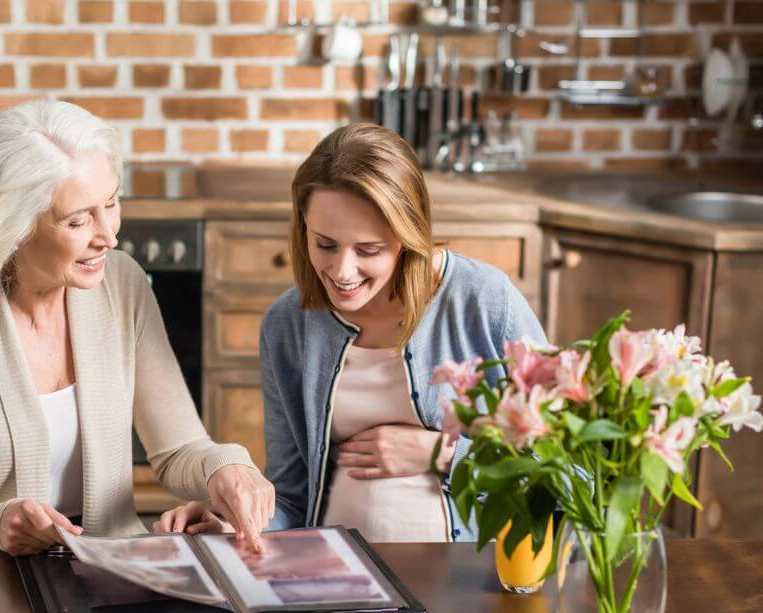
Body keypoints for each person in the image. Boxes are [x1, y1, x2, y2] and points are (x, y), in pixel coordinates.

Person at [0, 100, 275, 555]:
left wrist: (228, 468)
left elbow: (179, 449)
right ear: (13, 226)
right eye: (78, 220)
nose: (109, 235)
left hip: (119, 573)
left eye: (112, 202)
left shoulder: (122, 284)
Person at [156, 123, 546, 543]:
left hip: (461, 582)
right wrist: (231, 527)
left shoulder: (483, 301)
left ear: (407, 237)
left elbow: (565, 470)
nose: (342, 272)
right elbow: (291, 499)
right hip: (328, 578)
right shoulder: (288, 324)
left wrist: (443, 455)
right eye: (325, 244)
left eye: (368, 250)